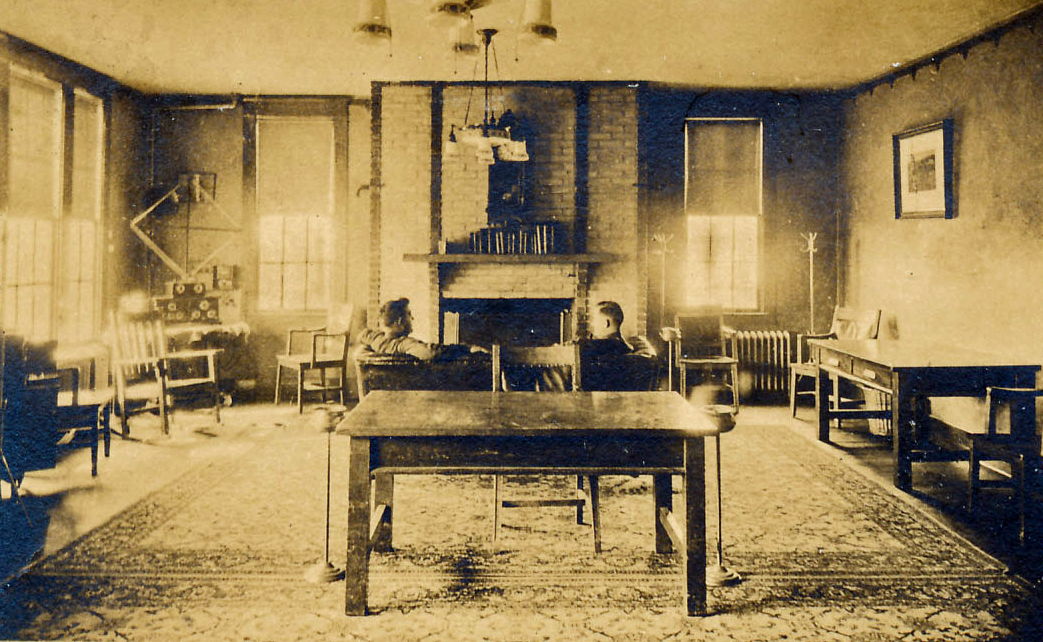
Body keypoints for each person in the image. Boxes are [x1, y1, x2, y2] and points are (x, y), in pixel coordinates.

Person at [536, 300, 657, 391]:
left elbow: (553, 353)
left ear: (605, 323)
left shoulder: (583, 347)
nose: (592, 325)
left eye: (593, 320)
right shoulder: (628, 349)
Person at [357, 297, 487, 361]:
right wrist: (467, 349)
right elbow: (430, 353)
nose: (412, 318)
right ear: (400, 321)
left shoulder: (375, 339)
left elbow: (362, 335)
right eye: (409, 314)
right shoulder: (404, 344)